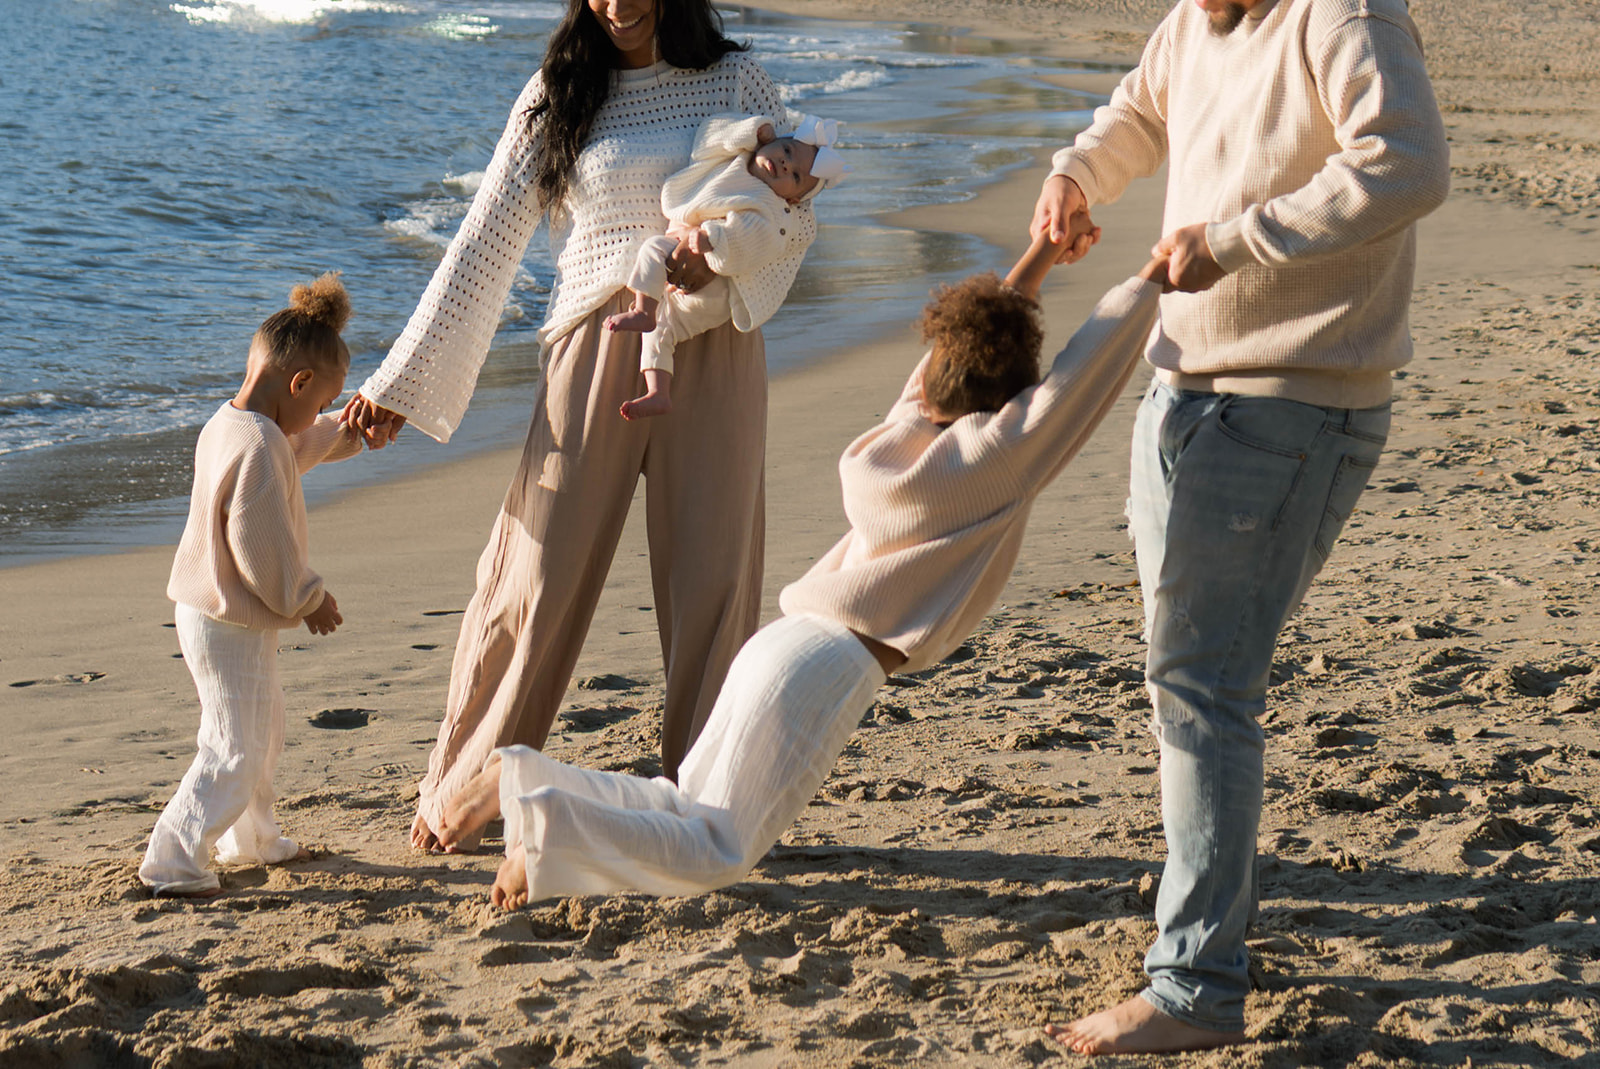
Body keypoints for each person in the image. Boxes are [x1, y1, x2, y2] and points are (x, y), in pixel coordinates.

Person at [427, 223, 1168, 905]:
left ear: (937, 368)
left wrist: (1038, 256)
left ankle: (525, 778)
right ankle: (537, 816)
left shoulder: (897, 435)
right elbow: (1085, 377)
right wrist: (1155, 279)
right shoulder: (995, 458)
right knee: (717, 847)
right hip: (827, 667)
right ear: (1009, 398)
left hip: (780, 645)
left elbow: (960, 350)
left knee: (686, 802)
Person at [1029, 0, 1450, 1054]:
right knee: (1187, 682)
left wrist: (1233, 241)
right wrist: (1076, 174)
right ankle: (1199, 934)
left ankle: (1195, 987)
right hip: (1179, 388)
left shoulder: (1342, 12)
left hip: (1292, 404)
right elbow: (1139, 109)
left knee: (1204, 687)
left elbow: (1406, 164)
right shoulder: (1190, 22)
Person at [341, 0, 812, 852]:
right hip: (595, 344)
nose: (619, 4)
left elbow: (793, 213)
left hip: (714, 344)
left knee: (716, 579)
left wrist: (719, 257)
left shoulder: (736, 78)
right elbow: (484, 239)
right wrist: (400, 381)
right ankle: (460, 784)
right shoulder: (558, 92)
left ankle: (710, 805)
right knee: (537, 568)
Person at [140, 273, 365, 897]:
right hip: (227, 616)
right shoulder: (260, 445)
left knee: (262, 730)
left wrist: (352, 428)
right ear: (298, 384)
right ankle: (173, 856)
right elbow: (260, 548)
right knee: (233, 746)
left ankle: (253, 837)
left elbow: (299, 444)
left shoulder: (233, 423)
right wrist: (310, 598)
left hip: (222, 611)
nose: (319, 414)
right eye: (322, 402)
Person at [606, 113, 847, 420]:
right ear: (772, 141)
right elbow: (710, 138)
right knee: (662, 325)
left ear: (794, 198)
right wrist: (752, 130)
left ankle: (643, 312)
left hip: (720, 286)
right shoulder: (735, 162)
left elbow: (757, 238)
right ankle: (658, 391)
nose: (786, 164)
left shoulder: (770, 206)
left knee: (656, 261)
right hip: (691, 247)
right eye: (787, 152)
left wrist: (714, 239)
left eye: (796, 175)